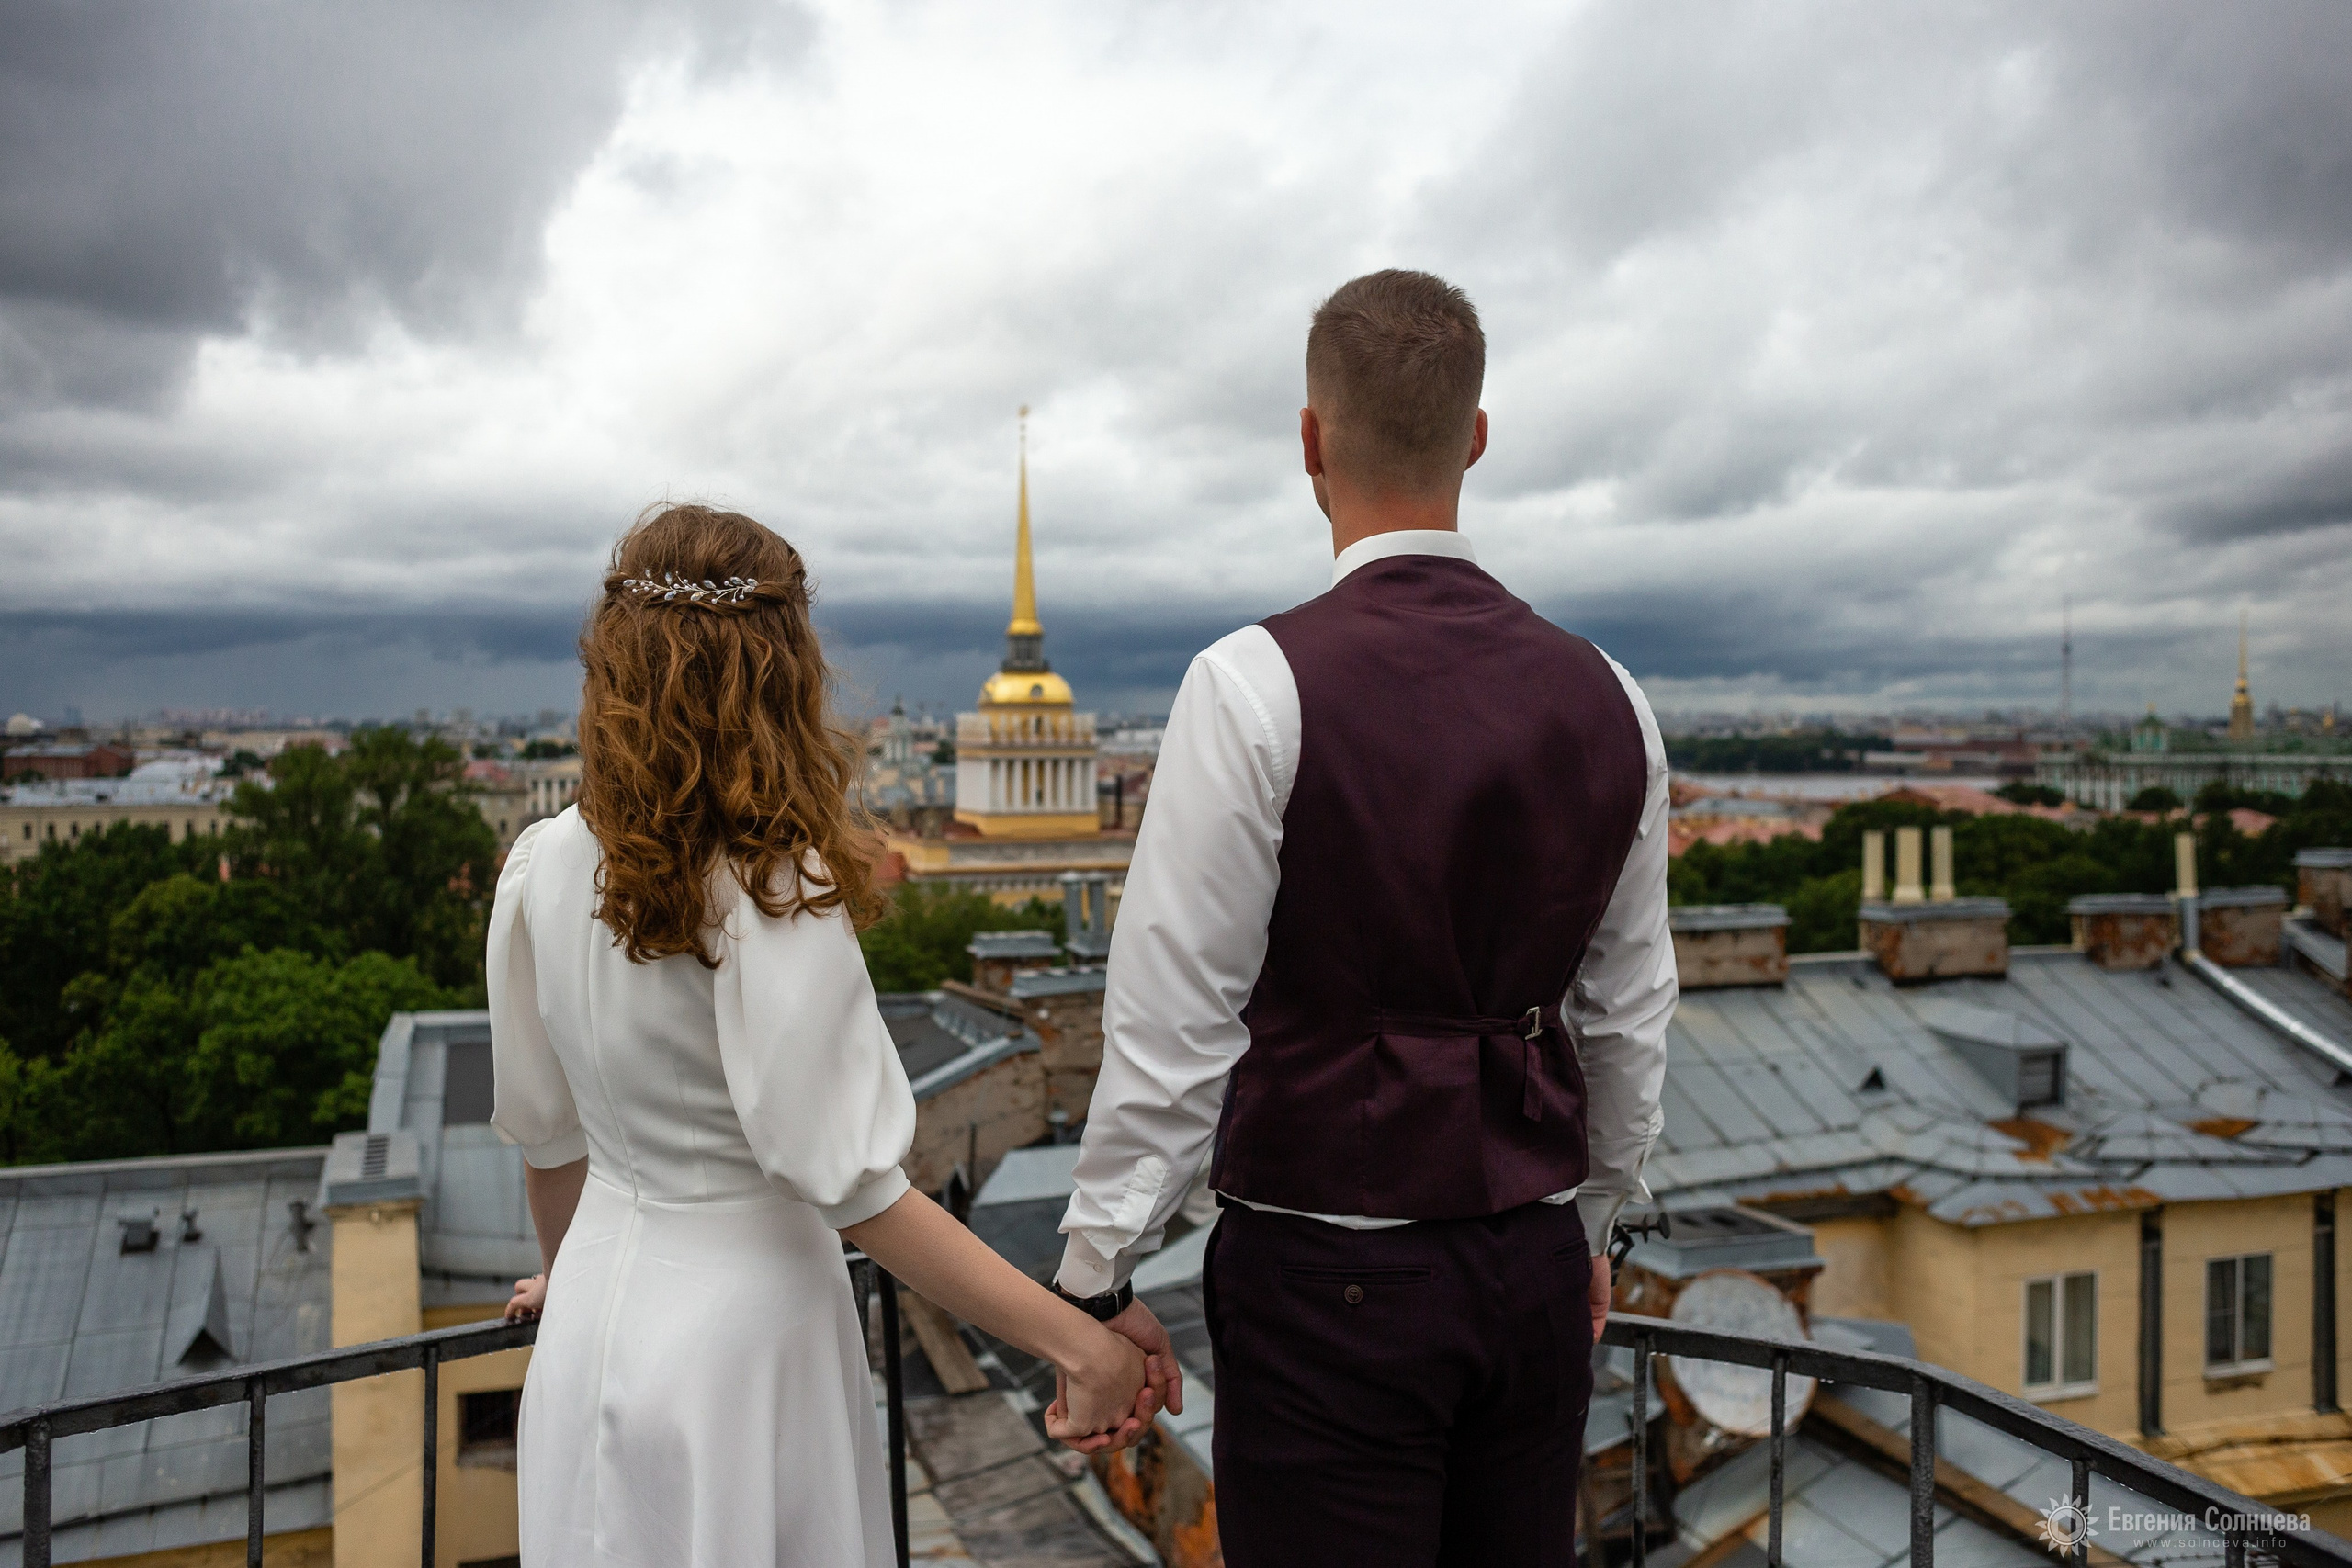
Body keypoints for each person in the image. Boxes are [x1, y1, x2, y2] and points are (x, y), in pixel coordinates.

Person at [1051, 271, 1676, 1566]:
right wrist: (1594, 1220)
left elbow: (1174, 1022)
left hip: (1330, 1279)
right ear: (1479, 437)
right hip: (1535, 1267)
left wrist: (1098, 1279)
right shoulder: (1612, 695)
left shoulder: (1253, 683)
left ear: (1310, 441)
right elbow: (1625, 1011)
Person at [488, 504, 1156, 1568]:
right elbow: (858, 1187)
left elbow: (547, 1141)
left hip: (588, 1347)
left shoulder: (543, 860)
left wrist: (570, 1272)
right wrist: (1079, 1343)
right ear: (778, 673)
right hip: (742, 1354)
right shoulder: (769, 881)